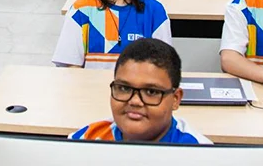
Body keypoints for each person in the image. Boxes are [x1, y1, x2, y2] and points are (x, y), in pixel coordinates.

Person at [69, 38, 211, 144]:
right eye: (124, 88)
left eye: (151, 92)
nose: (135, 101)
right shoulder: (86, 141)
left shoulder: (199, 154)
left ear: (175, 99)